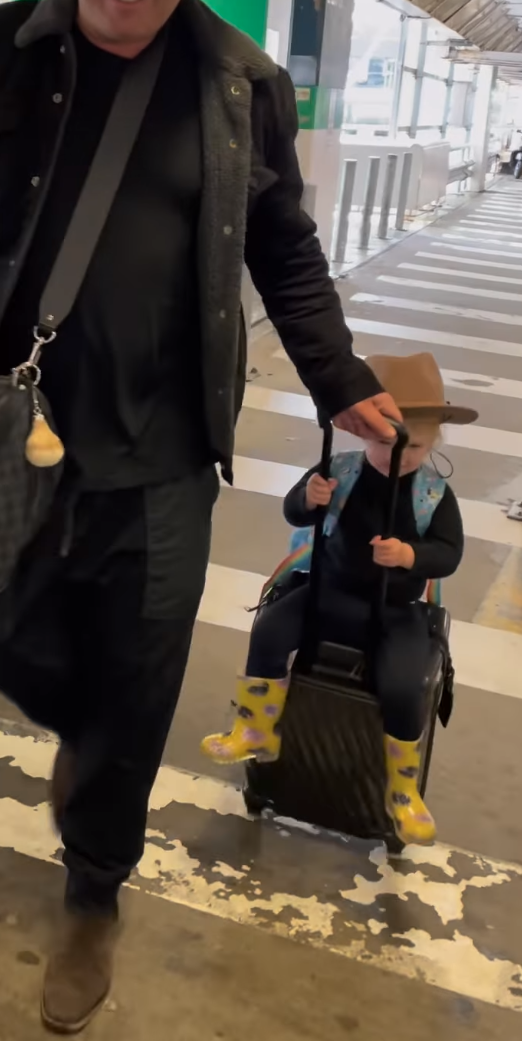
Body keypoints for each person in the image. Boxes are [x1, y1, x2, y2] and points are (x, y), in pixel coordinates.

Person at [0, 0, 401, 1033]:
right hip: (6, 434)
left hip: (161, 453)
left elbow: (285, 249)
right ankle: (84, 738)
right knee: (5, 635)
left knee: (142, 677)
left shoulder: (239, 84)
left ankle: (95, 886)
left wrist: (340, 376)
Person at [203, 352, 473, 846]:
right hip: (327, 589)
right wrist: (309, 498)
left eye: (412, 446)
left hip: (397, 610)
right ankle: (257, 730)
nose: (398, 455)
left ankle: (401, 791)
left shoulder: (433, 494)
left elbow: (449, 553)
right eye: (384, 440)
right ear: (362, 432)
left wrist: (410, 555)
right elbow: (294, 512)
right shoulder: (341, 470)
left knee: (406, 684)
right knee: (269, 632)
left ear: (434, 440)